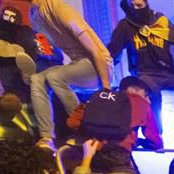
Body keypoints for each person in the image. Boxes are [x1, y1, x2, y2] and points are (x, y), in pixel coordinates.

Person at [107, 0, 174, 147]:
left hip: (167, 72)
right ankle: (158, 135)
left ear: (146, 3)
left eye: (140, 5)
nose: (136, 9)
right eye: (133, 6)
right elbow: (113, 49)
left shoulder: (160, 21)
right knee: (153, 93)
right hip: (145, 72)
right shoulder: (125, 26)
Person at [28, 0, 113, 153]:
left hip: (98, 65)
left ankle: (84, 131)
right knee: (37, 79)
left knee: (55, 76)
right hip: (77, 64)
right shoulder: (35, 16)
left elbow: (96, 50)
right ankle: (47, 138)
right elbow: (49, 51)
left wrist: (106, 88)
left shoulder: (56, 7)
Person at [67, 76, 163, 152]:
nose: (148, 100)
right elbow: (156, 142)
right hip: (120, 154)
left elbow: (72, 122)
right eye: (145, 94)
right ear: (133, 90)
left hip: (91, 150)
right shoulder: (141, 104)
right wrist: (139, 142)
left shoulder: (99, 98)